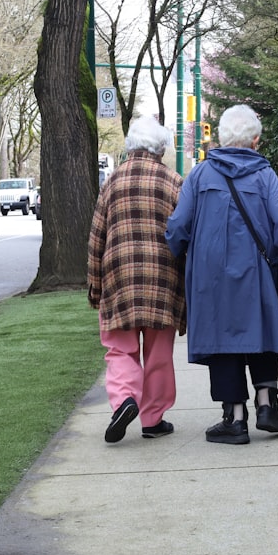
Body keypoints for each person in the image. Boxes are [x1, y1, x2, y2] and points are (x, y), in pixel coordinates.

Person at [165, 104, 278, 445]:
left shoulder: (200, 175)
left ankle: (234, 419)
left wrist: (175, 252)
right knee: (261, 328)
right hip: (257, 268)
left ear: (222, 138)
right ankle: (267, 405)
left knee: (223, 339)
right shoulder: (265, 175)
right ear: (255, 140)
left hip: (210, 274)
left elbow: (178, 225)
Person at [87, 116, 186, 443]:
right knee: (158, 353)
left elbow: (97, 237)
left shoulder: (112, 182)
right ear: (160, 147)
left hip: (119, 279)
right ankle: (152, 419)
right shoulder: (174, 182)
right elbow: (185, 235)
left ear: (131, 145)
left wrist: (95, 287)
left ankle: (125, 400)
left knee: (119, 349)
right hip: (162, 279)